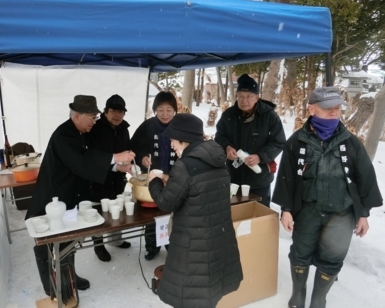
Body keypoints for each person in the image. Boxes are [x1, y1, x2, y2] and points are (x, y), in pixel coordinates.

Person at [272, 87, 383, 308]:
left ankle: (319, 299)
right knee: (300, 253)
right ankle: (298, 293)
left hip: (341, 213)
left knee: (332, 258)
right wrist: (286, 209)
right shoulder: (296, 142)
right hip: (307, 211)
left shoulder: (351, 143)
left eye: (337, 108)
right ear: (311, 109)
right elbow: (286, 178)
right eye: (327, 108)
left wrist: (363, 214)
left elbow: (365, 179)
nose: (334, 113)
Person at [25, 95, 135, 296]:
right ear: (78, 115)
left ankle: (69, 276)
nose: (95, 122)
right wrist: (117, 157)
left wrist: (117, 167)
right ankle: (54, 289)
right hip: (54, 197)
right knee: (50, 242)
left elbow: (90, 159)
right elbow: (82, 162)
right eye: (92, 117)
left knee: (68, 240)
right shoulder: (64, 135)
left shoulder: (81, 132)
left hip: (71, 195)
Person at [148, 113, 243, 308]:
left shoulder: (184, 166)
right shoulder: (217, 159)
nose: (172, 144)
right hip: (218, 239)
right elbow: (200, 191)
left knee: (190, 294)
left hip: (193, 245)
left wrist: (154, 182)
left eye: (173, 139)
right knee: (209, 291)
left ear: (184, 139)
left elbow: (166, 202)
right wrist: (173, 183)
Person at [215, 74, 285, 207]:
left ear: (257, 97)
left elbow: (279, 142)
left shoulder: (269, 116)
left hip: (259, 179)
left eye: (248, 97)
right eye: (241, 96)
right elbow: (219, 136)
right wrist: (227, 148)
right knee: (234, 216)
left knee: (258, 217)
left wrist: (260, 156)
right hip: (233, 178)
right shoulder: (228, 115)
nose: (244, 100)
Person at [130, 91, 178, 260]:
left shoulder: (180, 127)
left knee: (171, 214)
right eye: (160, 110)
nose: (165, 114)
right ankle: (152, 246)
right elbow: (133, 148)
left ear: (175, 111)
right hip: (151, 179)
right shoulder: (147, 126)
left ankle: (172, 245)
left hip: (174, 179)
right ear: (155, 110)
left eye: (169, 110)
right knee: (151, 215)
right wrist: (142, 157)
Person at [88, 94, 132, 262]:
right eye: (113, 111)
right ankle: (98, 245)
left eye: (121, 112)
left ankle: (116, 239)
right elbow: (92, 157)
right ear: (105, 112)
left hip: (117, 178)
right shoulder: (96, 128)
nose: (117, 115)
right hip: (98, 178)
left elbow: (127, 150)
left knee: (117, 209)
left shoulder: (124, 129)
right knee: (99, 210)